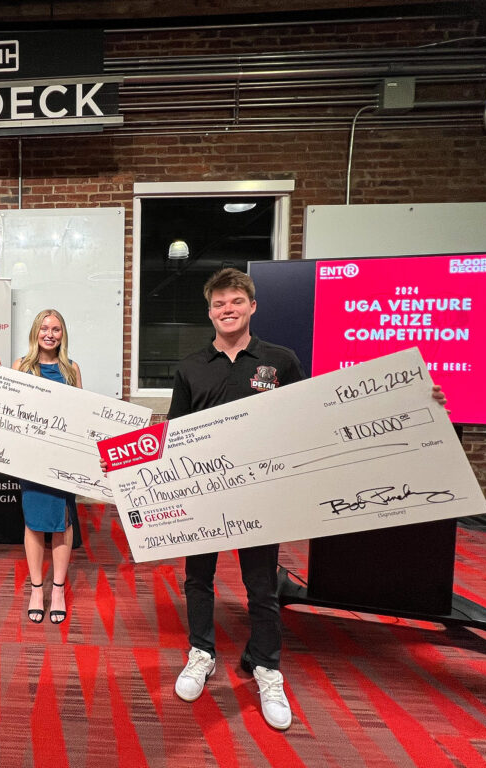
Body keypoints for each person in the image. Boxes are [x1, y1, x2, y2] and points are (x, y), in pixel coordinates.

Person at [162, 268, 447, 731]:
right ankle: (202, 653)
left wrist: (416, 401)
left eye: (236, 301)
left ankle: (267, 668)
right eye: (218, 304)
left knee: (261, 586)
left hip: (264, 496)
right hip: (205, 498)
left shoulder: (281, 360)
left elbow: (321, 415)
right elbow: (173, 434)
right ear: (209, 311)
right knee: (199, 580)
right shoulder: (190, 367)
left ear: (252, 306)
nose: (227, 310)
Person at [0, 309, 82, 625]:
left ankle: (57, 589)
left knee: (62, 521)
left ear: (62, 334)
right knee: (34, 521)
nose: (50, 333)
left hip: (62, 459)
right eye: (44, 328)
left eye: (56, 329)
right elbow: (10, 410)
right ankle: (36, 588)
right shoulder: (21, 366)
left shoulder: (71, 369)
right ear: (35, 332)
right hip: (31, 459)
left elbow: (80, 415)